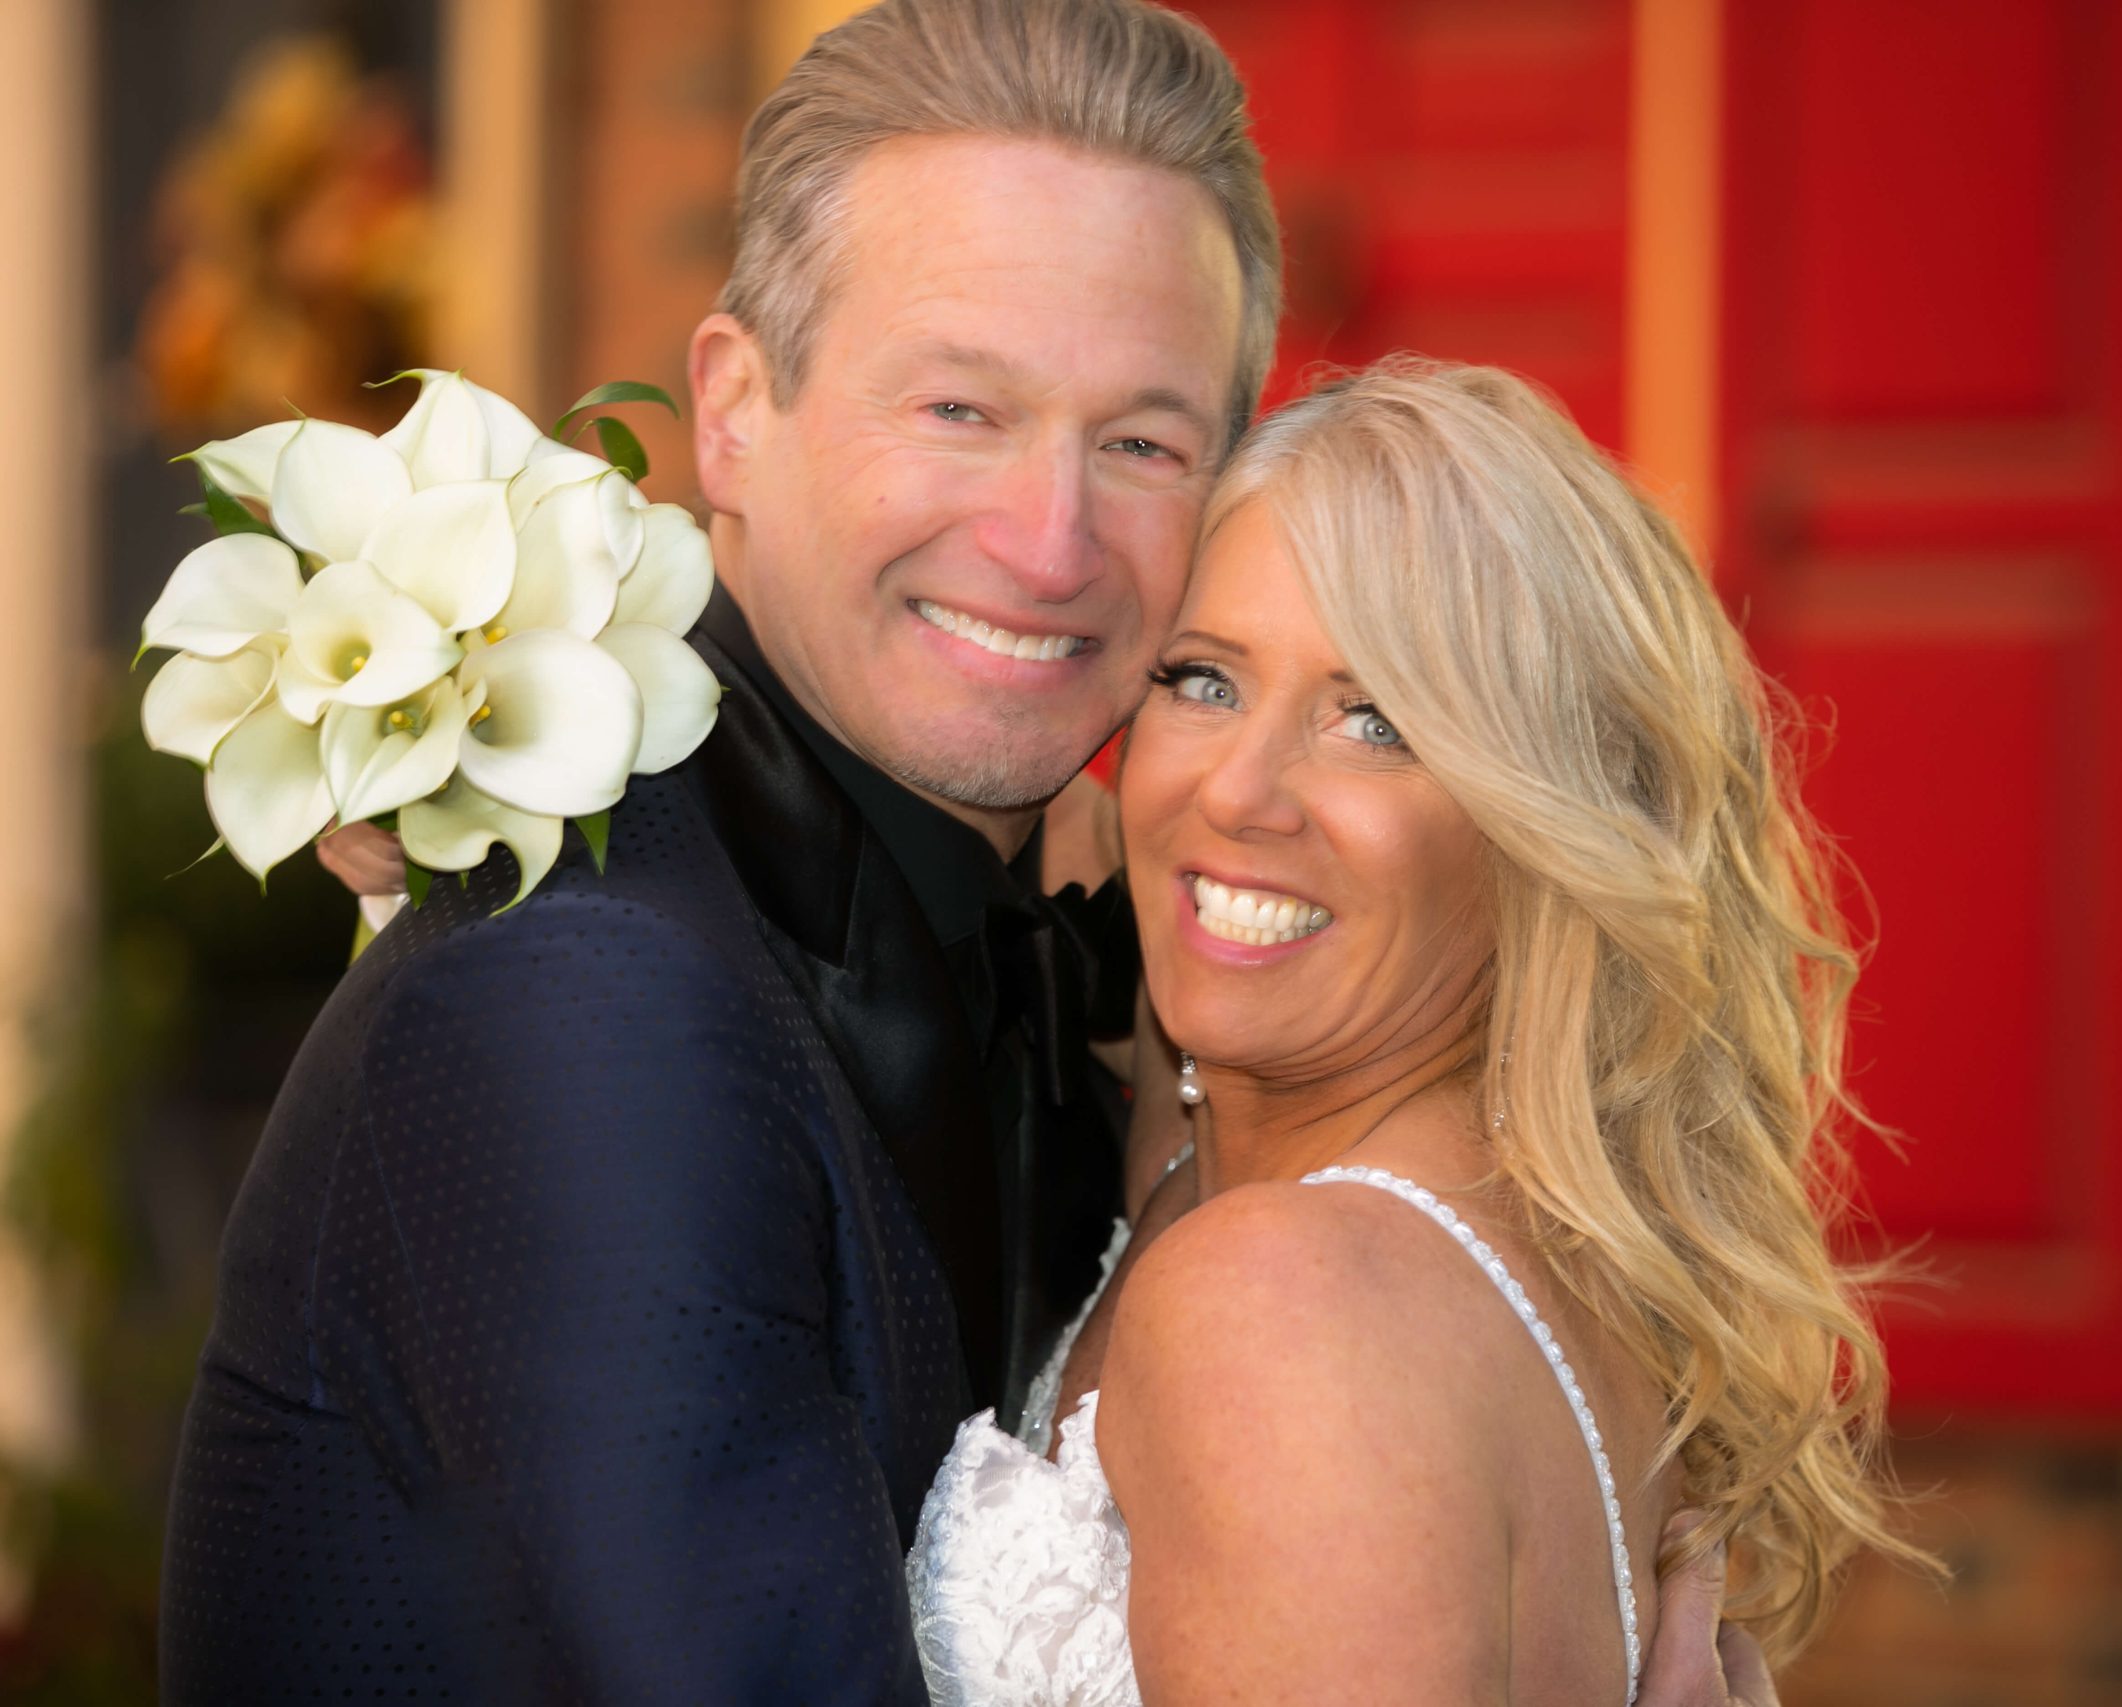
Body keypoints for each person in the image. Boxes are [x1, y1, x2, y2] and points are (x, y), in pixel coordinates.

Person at [163, 2, 1767, 1701]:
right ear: (731, 411)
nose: (1047, 540)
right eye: (957, 406)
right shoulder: (590, 998)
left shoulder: (1161, 1039)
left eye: (1142, 442)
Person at [906, 362, 1924, 1702]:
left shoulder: (1281, 1308)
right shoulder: (1232, 1108)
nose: (1240, 791)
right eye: (1203, 680)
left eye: (1375, 721)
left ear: (1539, 825)